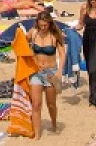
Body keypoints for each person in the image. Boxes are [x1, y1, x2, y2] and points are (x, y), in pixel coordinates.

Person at [28, 10, 66, 138]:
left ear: (49, 23)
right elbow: (21, 41)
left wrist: (60, 72)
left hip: (51, 73)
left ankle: (54, 123)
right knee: (36, 104)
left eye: (45, 25)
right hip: (36, 72)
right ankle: (37, 133)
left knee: (51, 104)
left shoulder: (55, 36)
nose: (43, 28)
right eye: (41, 25)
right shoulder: (33, 33)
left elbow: (62, 54)